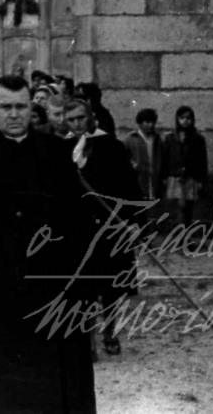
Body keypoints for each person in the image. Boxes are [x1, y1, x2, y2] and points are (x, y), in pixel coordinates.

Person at [0, 75, 97, 413]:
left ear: (31, 108)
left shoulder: (55, 152)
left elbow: (77, 224)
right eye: (5, 107)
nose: (14, 114)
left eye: (20, 107)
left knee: (51, 387)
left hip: (49, 289)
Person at [65, 98, 141, 357]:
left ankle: (110, 331)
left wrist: (133, 222)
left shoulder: (112, 146)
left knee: (111, 285)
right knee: (82, 285)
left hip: (110, 225)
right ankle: (87, 339)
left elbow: (129, 186)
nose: (76, 124)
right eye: (71, 120)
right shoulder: (63, 147)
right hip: (78, 228)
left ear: (90, 117)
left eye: (80, 118)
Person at [161, 105, 208, 228]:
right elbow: (165, 159)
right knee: (177, 207)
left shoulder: (198, 139)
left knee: (188, 207)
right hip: (175, 176)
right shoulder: (170, 138)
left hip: (191, 177)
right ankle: (178, 232)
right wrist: (164, 177)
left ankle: (186, 231)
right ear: (177, 119)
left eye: (188, 118)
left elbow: (202, 160)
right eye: (182, 118)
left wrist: (201, 180)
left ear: (192, 120)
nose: (185, 121)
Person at [125, 108, 165, 204]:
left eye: (153, 122)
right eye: (147, 122)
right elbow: (125, 157)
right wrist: (133, 165)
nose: (151, 125)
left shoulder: (157, 138)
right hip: (139, 177)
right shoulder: (131, 138)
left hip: (154, 177)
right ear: (140, 123)